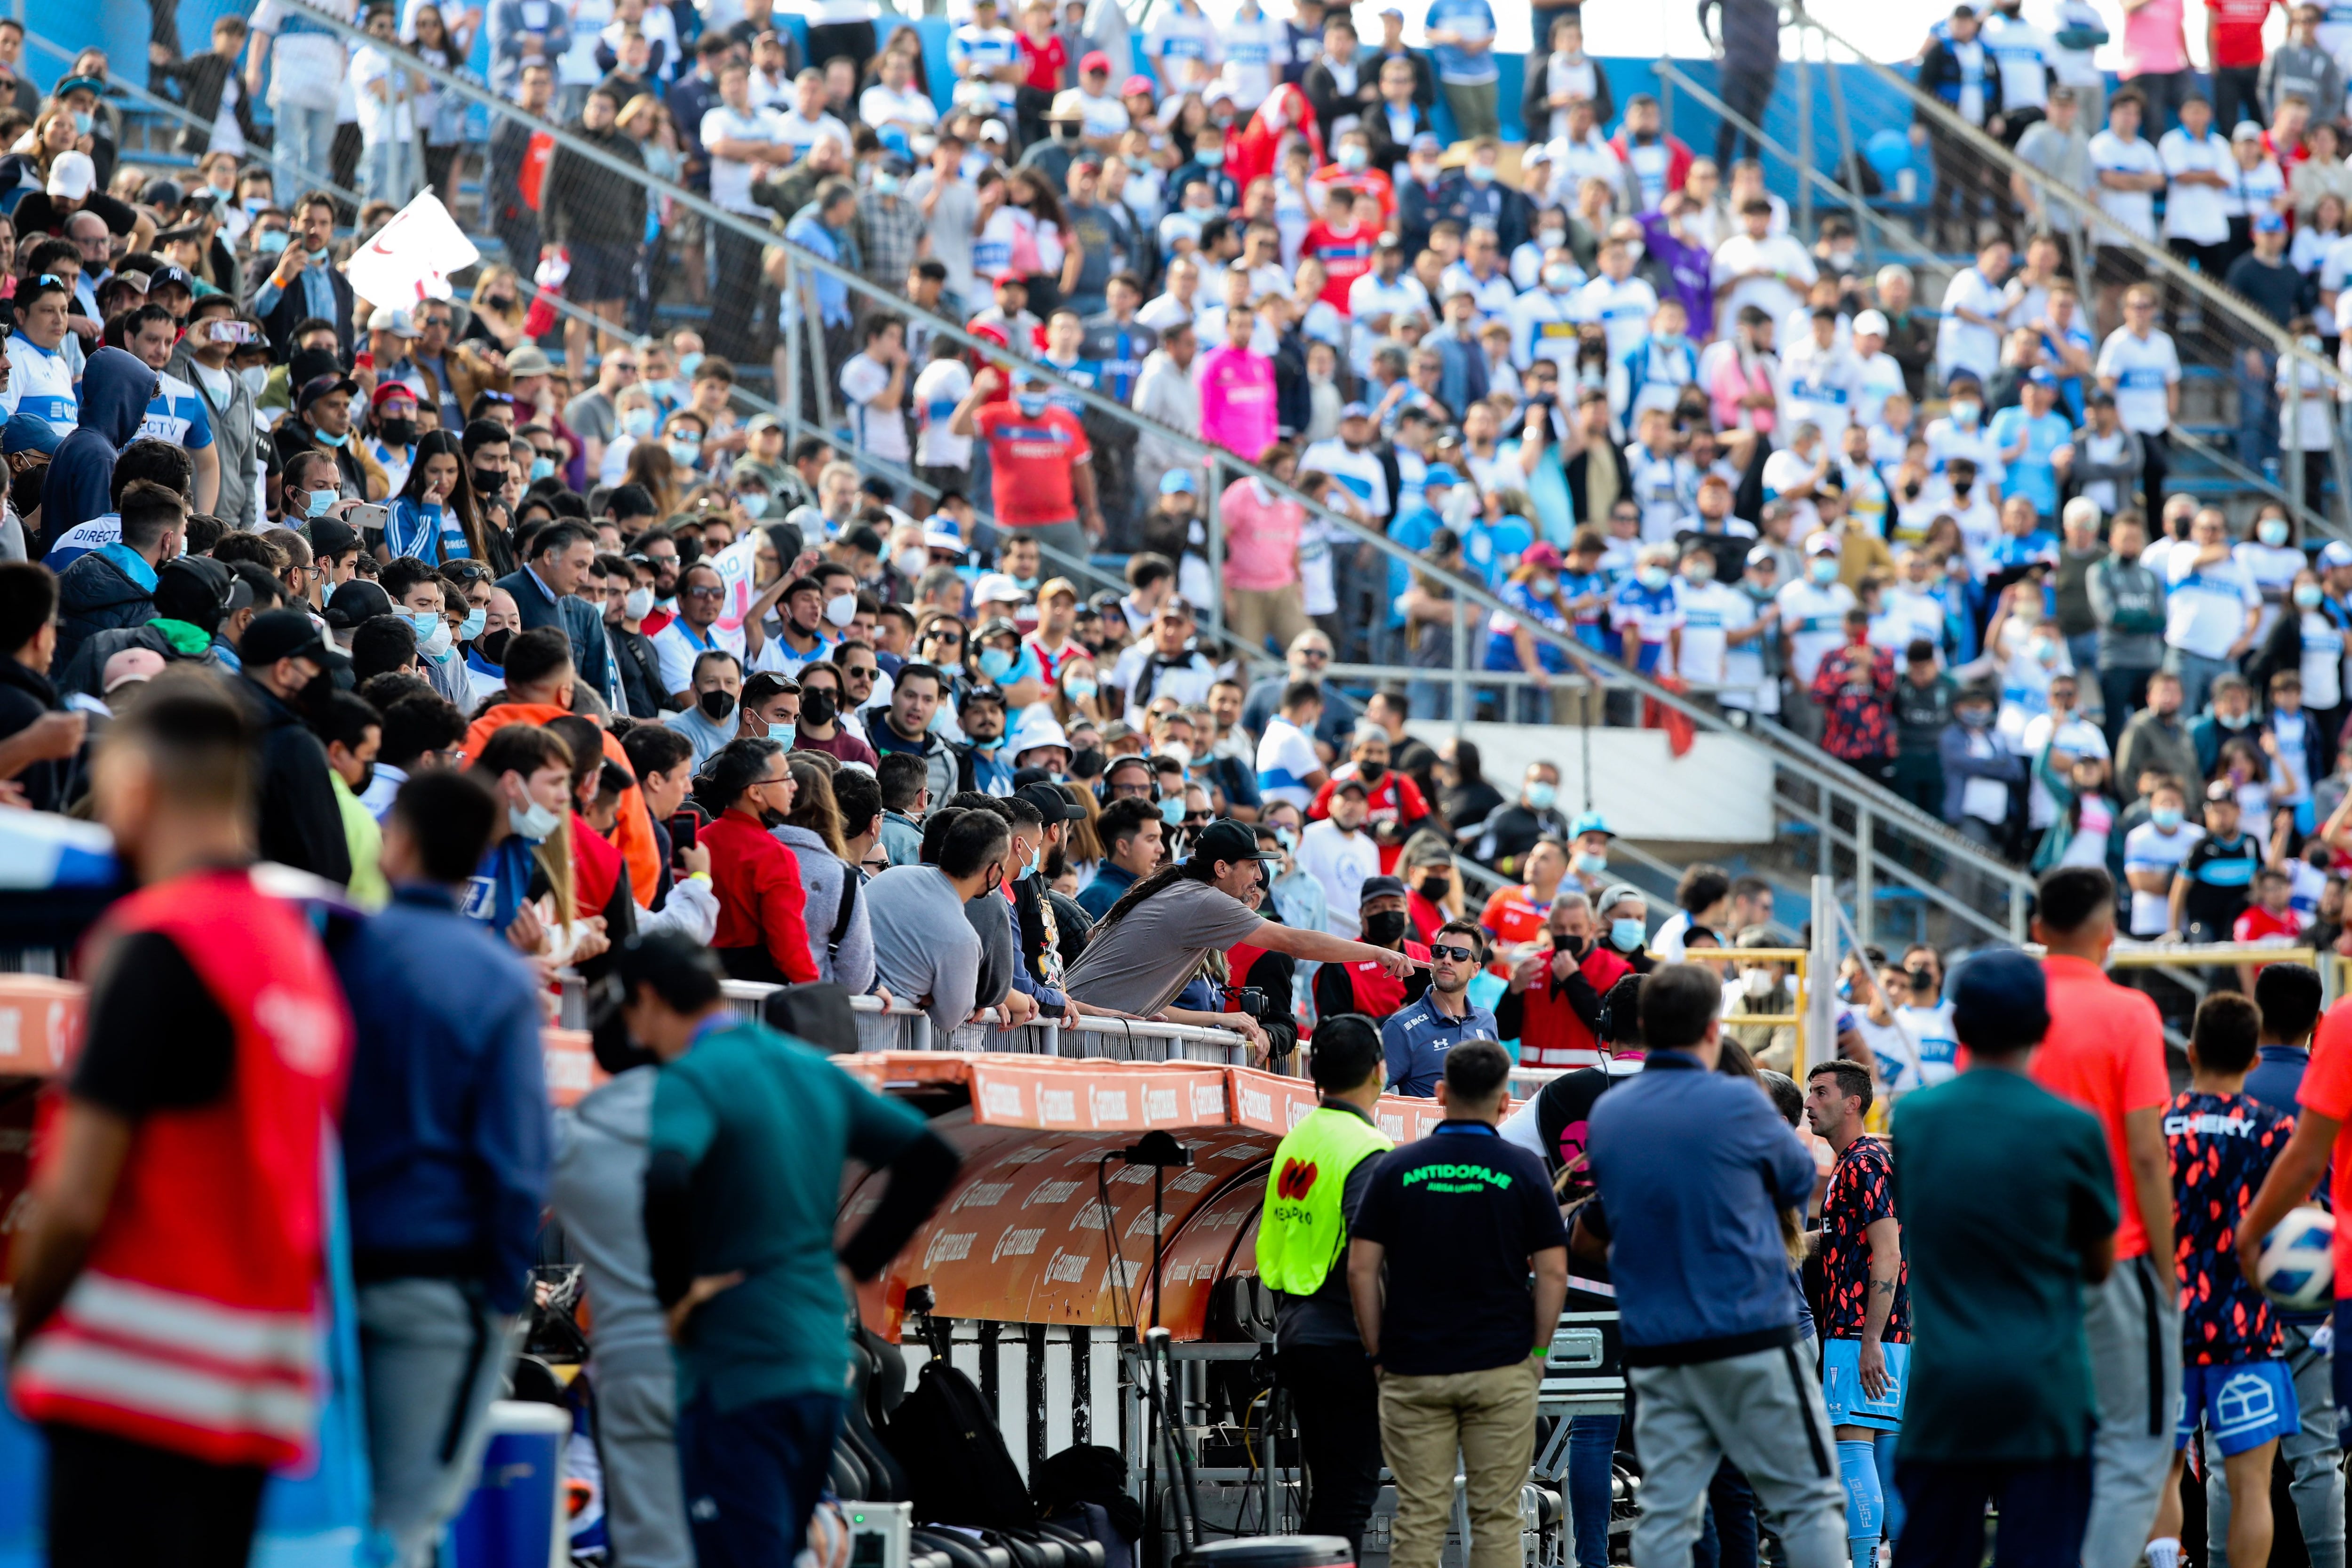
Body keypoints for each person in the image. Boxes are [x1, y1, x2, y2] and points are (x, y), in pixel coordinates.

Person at [7, 676, 353, 1568]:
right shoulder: (301, 955)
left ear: (133, 787)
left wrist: (25, 1328)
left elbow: (77, 1192)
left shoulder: (158, 937)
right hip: (254, 1389)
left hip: (132, 1375)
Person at [625, 931, 959, 1568]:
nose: (637, 1039)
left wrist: (674, 1295)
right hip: (816, 1359)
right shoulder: (805, 1068)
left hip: (738, 1364)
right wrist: (856, 1261)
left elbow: (664, 1176)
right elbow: (930, 1158)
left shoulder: (693, 1077)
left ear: (648, 998)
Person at [338, 767, 551, 1568]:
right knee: (408, 1520)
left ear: (399, 842)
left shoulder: (338, 948)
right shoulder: (495, 977)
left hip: (321, 1274)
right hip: (441, 1282)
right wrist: (502, 1294)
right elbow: (516, 1155)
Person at [1574, 963, 1845, 1565]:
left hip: (1659, 1343)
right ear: (1712, 1028)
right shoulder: (1739, 1102)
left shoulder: (1612, 1113)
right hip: (1753, 1330)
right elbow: (1798, 1181)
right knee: (1807, 1500)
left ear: (1644, 1026)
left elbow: (1596, 1225)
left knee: (1670, 1511)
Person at [1889, 947, 2117, 1565]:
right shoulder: (2073, 1126)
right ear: (2043, 1027)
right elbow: (2100, 1261)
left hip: (1945, 1394)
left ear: (1957, 1026)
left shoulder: (1914, 1119)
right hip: (2048, 1394)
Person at [1347, 1039, 1567, 1568]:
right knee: (1496, 1516)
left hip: (1412, 1366)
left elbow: (1360, 1269)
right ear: (1503, 1104)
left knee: (1419, 1515)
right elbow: (1553, 1271)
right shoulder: (1523, 1169)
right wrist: (1536, 1356)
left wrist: (1378, 1352)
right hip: (1501, 1366)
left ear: (1441, 1093)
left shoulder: (1396, 1167)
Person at [2028, 866, 2179, 1567]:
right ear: (2110, 931)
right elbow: (2148, 1153)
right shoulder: (2128, 1012)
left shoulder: (2005, 1012)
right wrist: (2167, 1267)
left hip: (2021, 1263)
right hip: (2115, 1254)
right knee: (2138, 1444)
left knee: (2047, 1442)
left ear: (2037, 929)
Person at [1062, 818, 1418, 1049]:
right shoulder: (1203, 900)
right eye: (1251, 866)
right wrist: (1375, 952)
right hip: (1077, 1030)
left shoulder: (1180, 888)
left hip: (1078, 1025)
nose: (1259, 877)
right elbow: (1296, 942)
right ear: (1221, 868)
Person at [1257, 1013, 1391, 1561]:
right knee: (1348, 1498)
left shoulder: (1297, 1140)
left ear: (1314, 1072)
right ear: (1379, 1073)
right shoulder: (1367, 1148)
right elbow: (1367, 1263)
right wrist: (1382, 1351)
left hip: (1297, 1335)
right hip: (1347, 1341)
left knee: (1329, 1497)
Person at [1802, 1059, 1910, 1568]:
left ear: (1852, 1103)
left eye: (1820, 1092)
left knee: (1851, 1446)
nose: (1808, 1102)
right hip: (1884, 1329)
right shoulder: (1857, 1161)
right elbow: (1846, 1239)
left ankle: (1862, 1561)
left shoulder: (1863, 1161)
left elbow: (1887, 1252)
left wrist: (1868, 1339)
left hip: (1860, 1329)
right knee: (1886, 1453)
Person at [865, 806, 1003, 1039]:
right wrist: (928, 996)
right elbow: (950, 1019)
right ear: (993, 873)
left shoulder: (890, 876)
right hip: (872, 1048)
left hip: (825, 1020)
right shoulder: (963, 938)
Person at [693, 736, 819, 985]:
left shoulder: (698, 842)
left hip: (697, 991)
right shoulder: (774, 856)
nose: (793, 786)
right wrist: (815, 993)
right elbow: (789, 948)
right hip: (755, 998)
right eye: (785, 778)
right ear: (755, 792)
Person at [1380, 919, 1499, 1095]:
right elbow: (1370, 1092)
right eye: (1440, 951)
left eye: (1459, 954)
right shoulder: (1401, 1027)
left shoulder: (1487, 1022)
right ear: (1431, 959)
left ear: (1475, 969)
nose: (1447, 960)